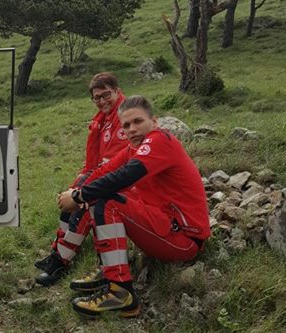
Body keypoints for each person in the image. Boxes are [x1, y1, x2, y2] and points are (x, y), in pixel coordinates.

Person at [57, 95, 211, 318]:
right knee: (100, 193)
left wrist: (79, 196)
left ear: (154, 122)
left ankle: (121, 294)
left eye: (138, 122)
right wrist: (73, 191)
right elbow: (104, 172)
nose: (132, 129)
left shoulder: (160, 139)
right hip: (163, 226)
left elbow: (127, 175)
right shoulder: (132, 149)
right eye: (126, 125)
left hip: (184, 239)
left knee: (108, 201)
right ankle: (110, 269)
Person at [35, 72, 128, 286]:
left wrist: (80, 188)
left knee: (80, 204)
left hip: (125, 182)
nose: (102, 101)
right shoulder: (105, 117)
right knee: (72, 197)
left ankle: (61, 261)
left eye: (106, 95)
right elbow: (95, 161)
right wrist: (79, 180)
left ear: (116, 91)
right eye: (97, 97)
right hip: (108, 175)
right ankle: (58, 253)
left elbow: (114, 163)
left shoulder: (123, 116)